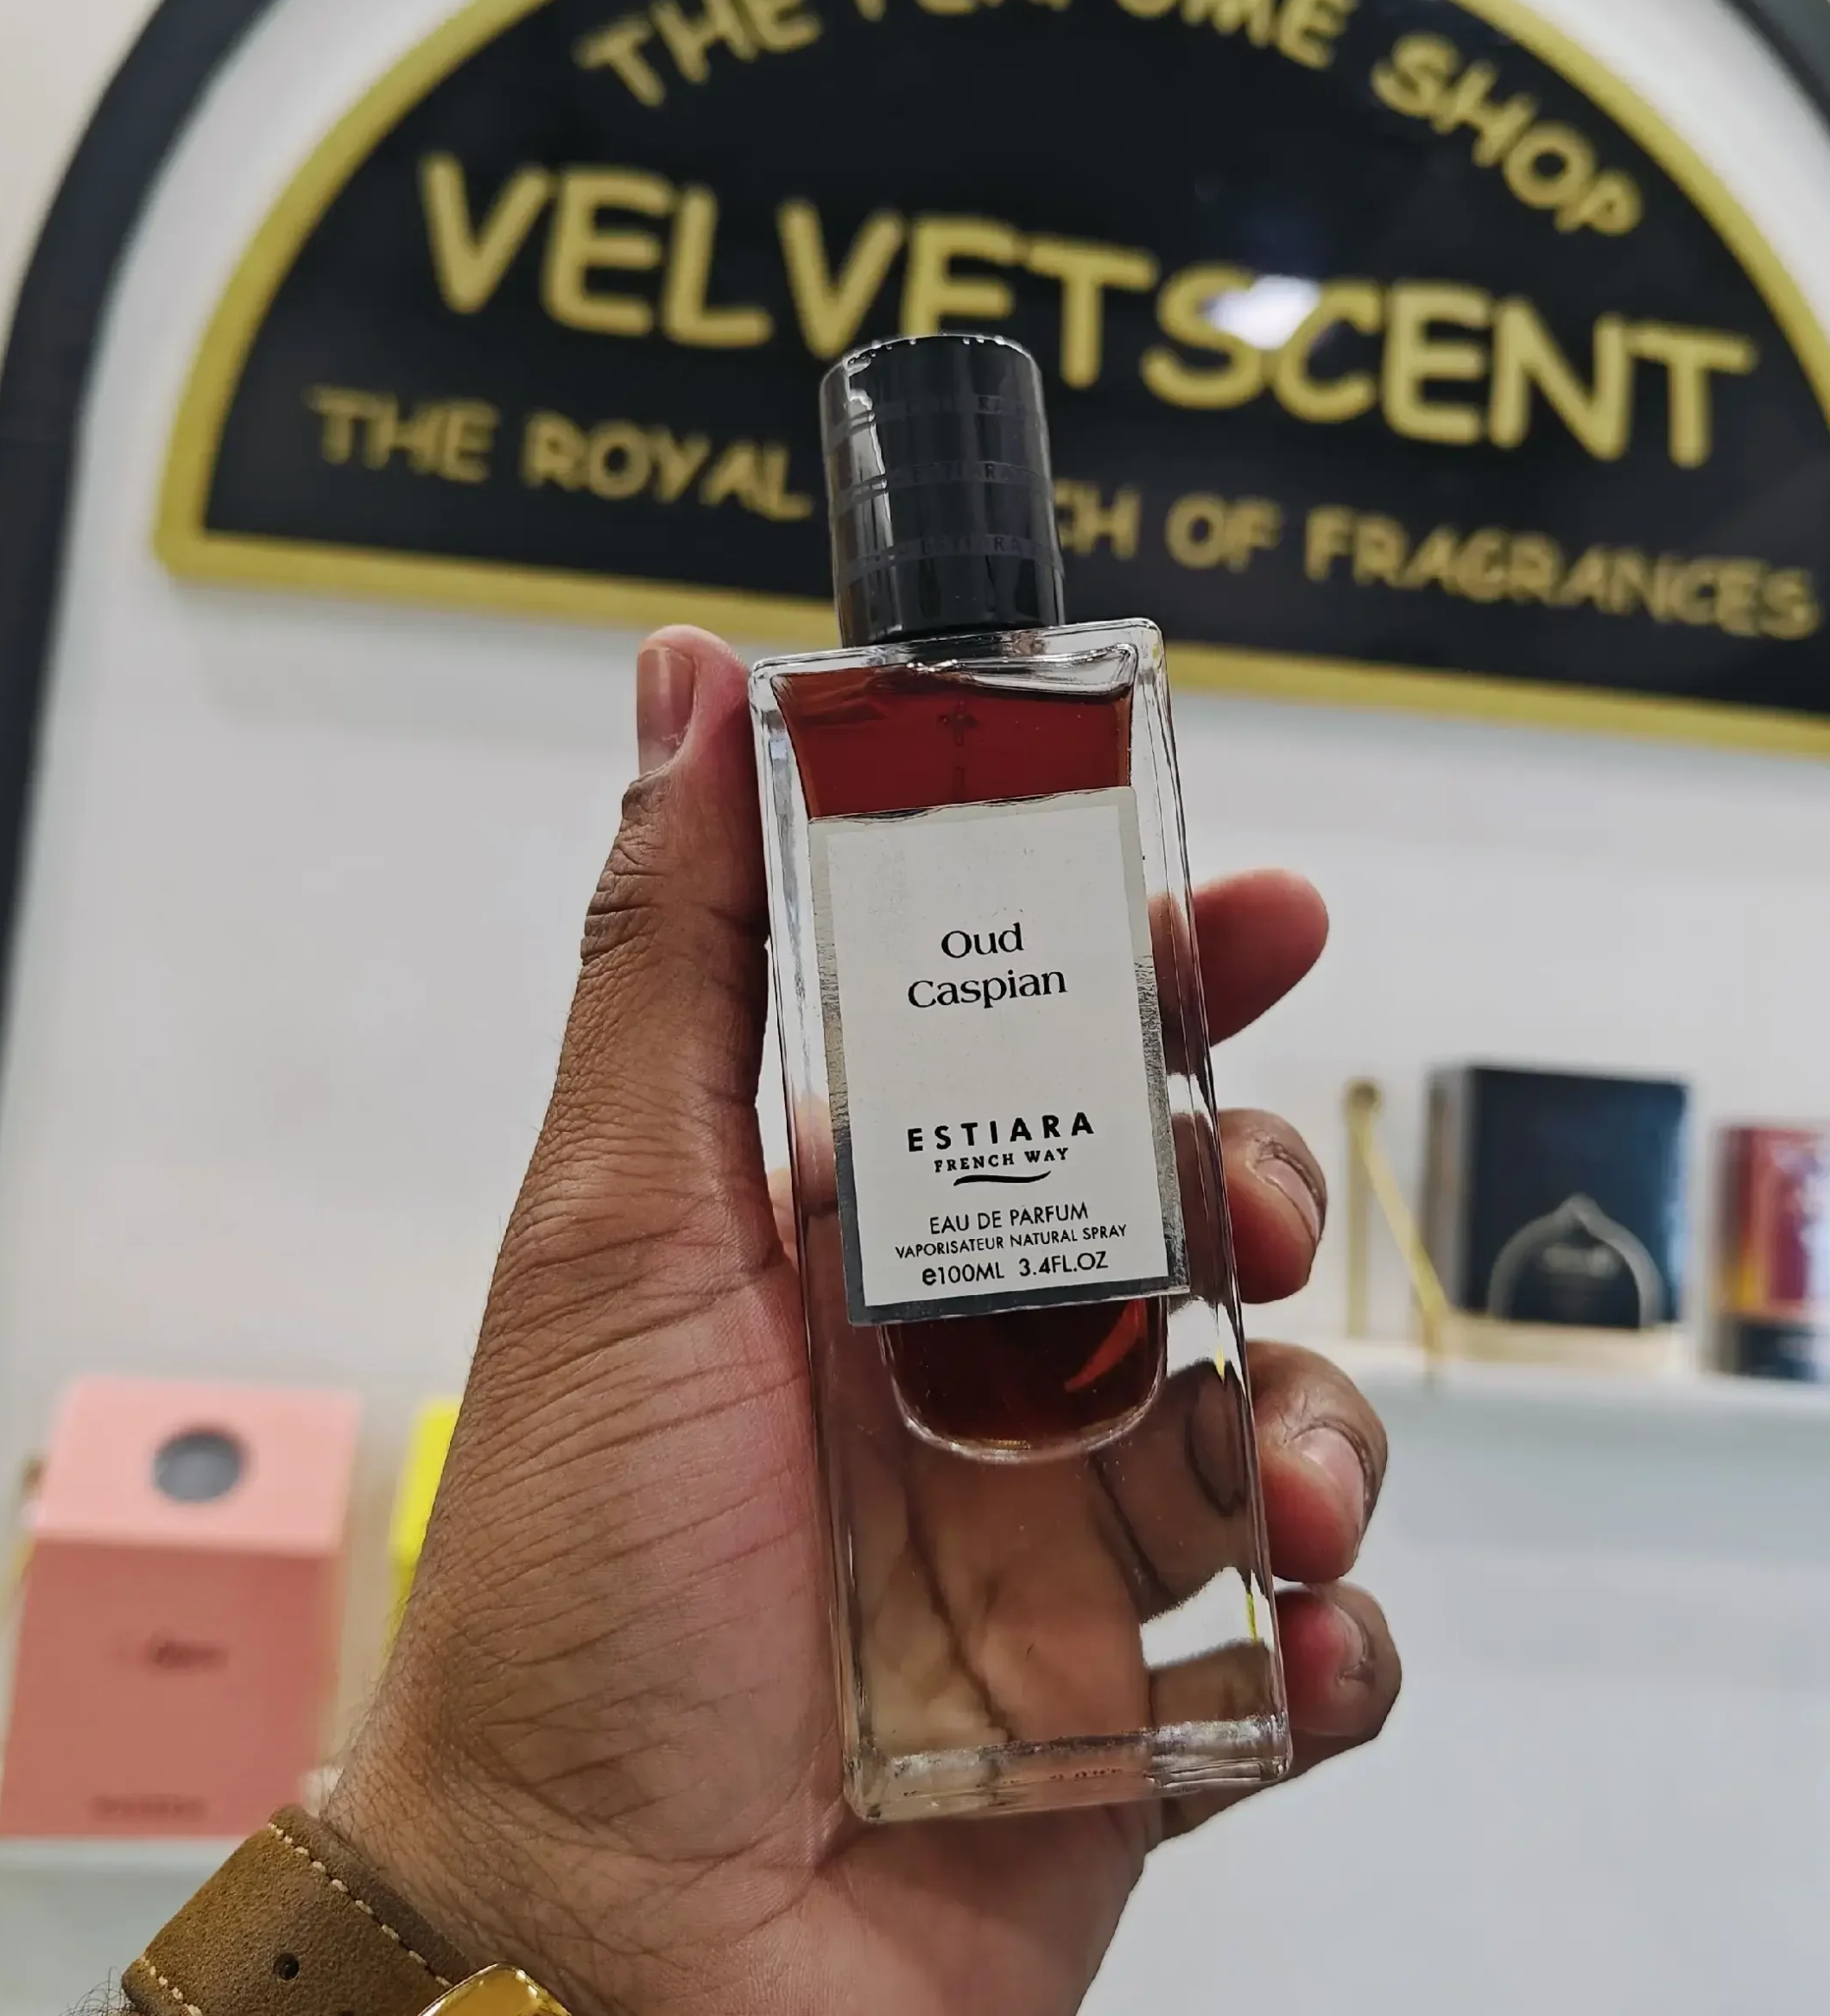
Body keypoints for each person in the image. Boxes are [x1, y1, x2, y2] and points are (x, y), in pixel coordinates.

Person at [125, 628, 1399, 2016]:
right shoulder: (829, 723)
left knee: (1222, 1207)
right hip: (803, 1736)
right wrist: (514, 1885)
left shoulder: (1086, 689)